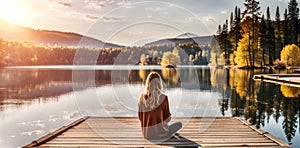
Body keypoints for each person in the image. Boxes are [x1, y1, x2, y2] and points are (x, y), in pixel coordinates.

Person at [138, 72, 182, 141]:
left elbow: (140, 117)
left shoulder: (142, 98)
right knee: (179, 124)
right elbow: (168, 119)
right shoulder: (164, 98)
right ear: (159, 83)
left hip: (147, 134)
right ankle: (169, 134)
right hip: (160, 134)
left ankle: (168, 133)